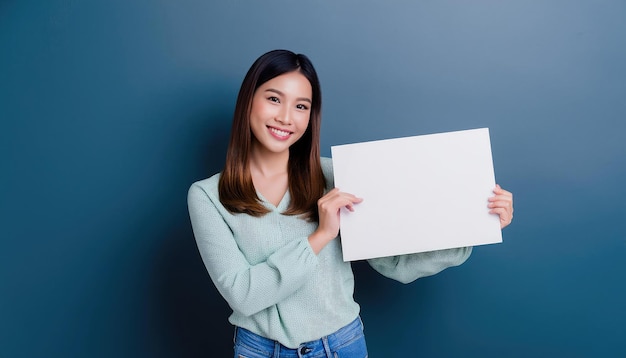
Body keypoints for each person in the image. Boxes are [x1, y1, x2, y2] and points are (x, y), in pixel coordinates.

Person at [187, 49, 514, 358]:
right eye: (274, 99)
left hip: (341, 346)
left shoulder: (336, 176)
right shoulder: (207, 196)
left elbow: (395, 265)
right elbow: (245, 295)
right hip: (259, 350)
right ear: (248, 102)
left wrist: (474, 225)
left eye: (301, 106)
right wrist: (320, 236)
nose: (286, 117)